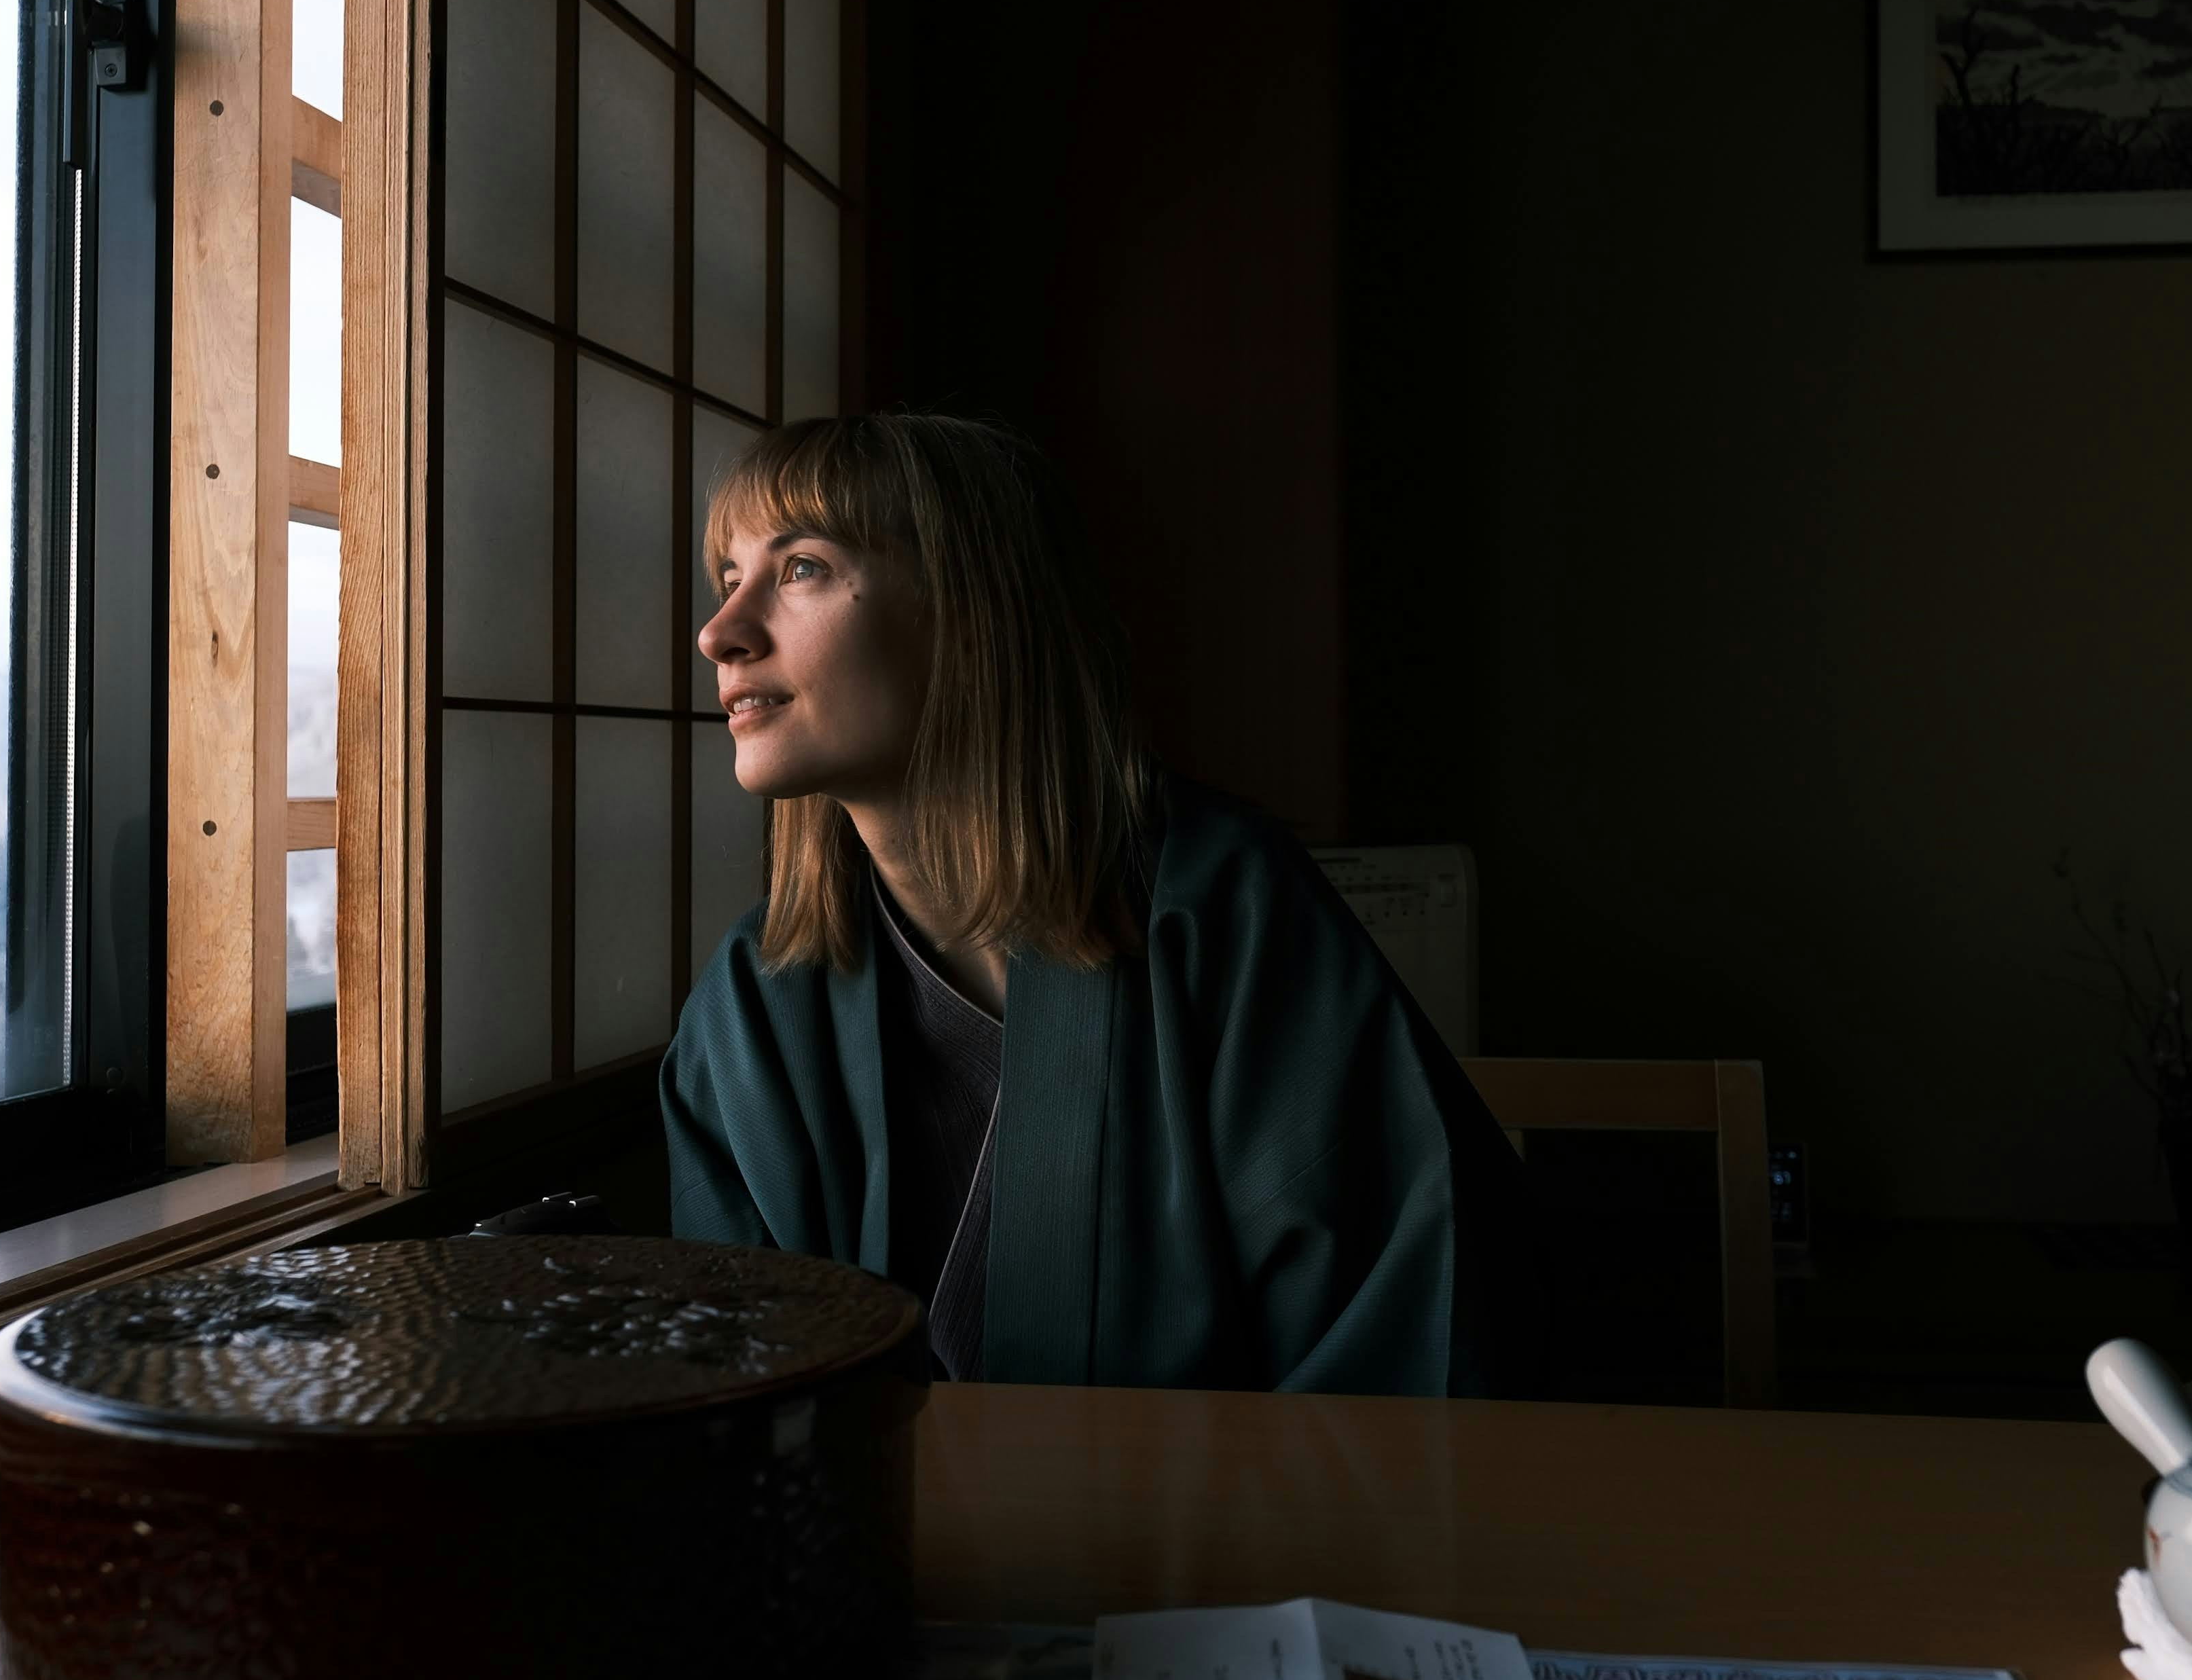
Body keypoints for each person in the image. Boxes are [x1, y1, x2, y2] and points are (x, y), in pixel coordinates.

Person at [659, 412, 1542, 1394]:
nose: (719, 633)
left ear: (976, 611)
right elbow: (737, 1389)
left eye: (801, 569)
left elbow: (1403, 1342)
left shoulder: (1222, 916)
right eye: (728, 577)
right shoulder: (749, 1007)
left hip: (1239, 1498)